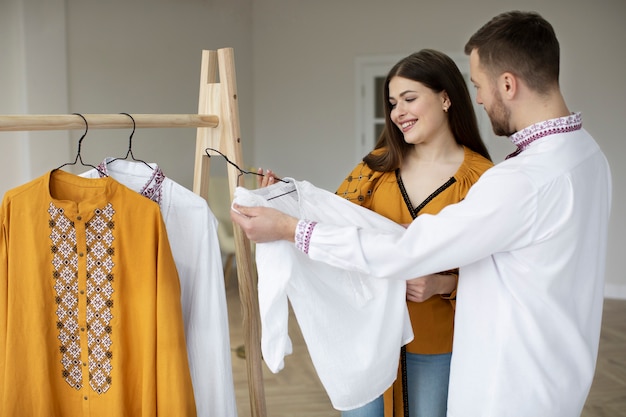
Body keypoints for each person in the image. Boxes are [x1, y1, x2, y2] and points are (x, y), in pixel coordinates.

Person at [232, 10, 612, 417]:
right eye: (393, 102)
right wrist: (291, 204)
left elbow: (406, 250)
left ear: (507, 84)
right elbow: (343, 214)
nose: (480, 98)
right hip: (554, 377)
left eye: (479, 86)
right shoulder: (588, 156)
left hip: (506, 383)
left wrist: (291, 228)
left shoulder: (514, 181)